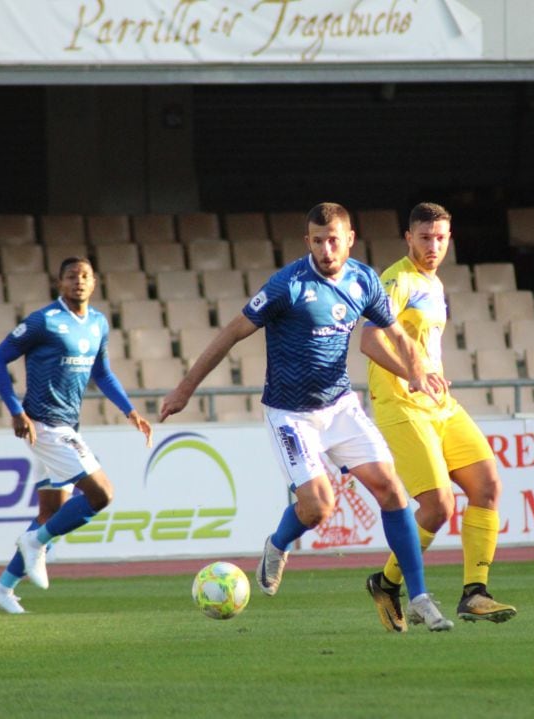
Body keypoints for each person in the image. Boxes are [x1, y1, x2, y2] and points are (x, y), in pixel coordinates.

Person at [159, 202, 454, 632]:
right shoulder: (289, 285)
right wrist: (185, 389)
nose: (326, 249)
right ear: (308, 242)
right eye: (318, 241)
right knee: (318, 508)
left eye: (334, 240)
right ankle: (278, 544)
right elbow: (230, 334)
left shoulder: (364, 280)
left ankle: (421, 597)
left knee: (392, 490)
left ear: (350, 239)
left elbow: (397, 335)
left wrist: (417, 372)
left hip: (340, 406)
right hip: (291, 414)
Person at [360, 202, 517, 632]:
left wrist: (428, 376)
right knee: (438, 505)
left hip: (438, 403)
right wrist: (412, 374)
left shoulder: (433, 281)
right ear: (408, 238)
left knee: (486, 486)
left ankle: (475, 593)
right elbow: (370, 343)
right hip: (401, 404)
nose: (433, 246)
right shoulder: (396, 280)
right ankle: (387, 583)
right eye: (425, 238)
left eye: (441, 238)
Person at [0, 256, 153, 614]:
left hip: (68, 425)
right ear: (59, 282)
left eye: (85, 275)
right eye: (72, 275)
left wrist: (130, 410)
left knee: (51, 512)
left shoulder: (97, 324)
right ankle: (36, 543)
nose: (79, 280)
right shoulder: (44, 321)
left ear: (94, 283)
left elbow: (102, 373)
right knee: (102, 493)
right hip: (45, 425)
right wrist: (16, 410)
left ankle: (2, 589)